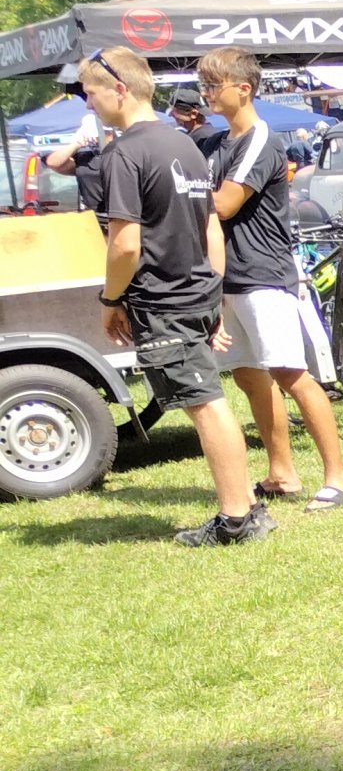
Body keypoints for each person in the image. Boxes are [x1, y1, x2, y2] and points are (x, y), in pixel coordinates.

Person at [71, 48, 263, 546]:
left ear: (120, 90)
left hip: (164, 300)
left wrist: (110, 299)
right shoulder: (185, 145)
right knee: (210, 401)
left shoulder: (124, 153)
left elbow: (125, 244)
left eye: (91, 93)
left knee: (205, 404)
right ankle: (247, 507)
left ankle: (236, 518)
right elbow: (211, 228)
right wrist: (212, 293)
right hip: (196, 293)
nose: (88, 103)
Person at [199, 47, 343, 511]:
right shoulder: (215, 142)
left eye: (213, 85)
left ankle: (339, 479)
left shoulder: (261, 140)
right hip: (229, 279)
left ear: (243, 89)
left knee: (291, 374)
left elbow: (224, 204)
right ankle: (281, 472)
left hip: (264, 276)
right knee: (249, 377)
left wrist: (180, 198)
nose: (206, 93)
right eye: (204, 85)